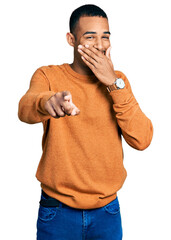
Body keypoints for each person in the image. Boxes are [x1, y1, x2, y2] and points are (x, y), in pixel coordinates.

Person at [18, 4, 153, 240]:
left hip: (107, 212)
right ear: (71, 39)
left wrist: (113, 83)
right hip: (57, 211)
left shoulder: (119, 82)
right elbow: (25, 107)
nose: (100, 45)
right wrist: (48, 102)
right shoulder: (48, 75)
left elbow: (142, 139)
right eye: (90, 37)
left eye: (105, 37)